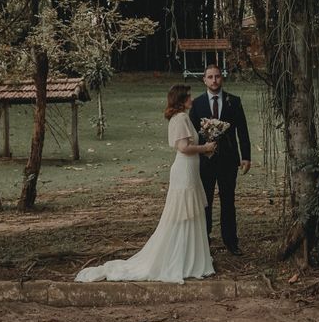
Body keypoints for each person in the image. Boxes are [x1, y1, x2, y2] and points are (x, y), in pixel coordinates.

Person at [75, 85, 216, 284]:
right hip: (184, 169)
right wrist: (205, 148)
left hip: (188, 168)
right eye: (189, 96)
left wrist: (205, 149)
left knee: (188, 212)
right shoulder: (182, 118)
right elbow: (184, 147)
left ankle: (190, 257)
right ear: (182, 99)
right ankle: (184, 259)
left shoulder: (178, 118)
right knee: (184, 212)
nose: (192, 99)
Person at [190, 65, 251, 256]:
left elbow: (242, 130)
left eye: (217, 76)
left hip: (228, 159)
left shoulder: (234, 101)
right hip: (204, 161)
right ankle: (204, 241)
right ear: (204, 80)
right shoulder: (196, 104)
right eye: (210, 77)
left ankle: (231, 242)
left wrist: (246, 156)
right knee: (205, 201)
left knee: (228, 201)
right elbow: (191, 133)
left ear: (221, 78)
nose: (214, 80)